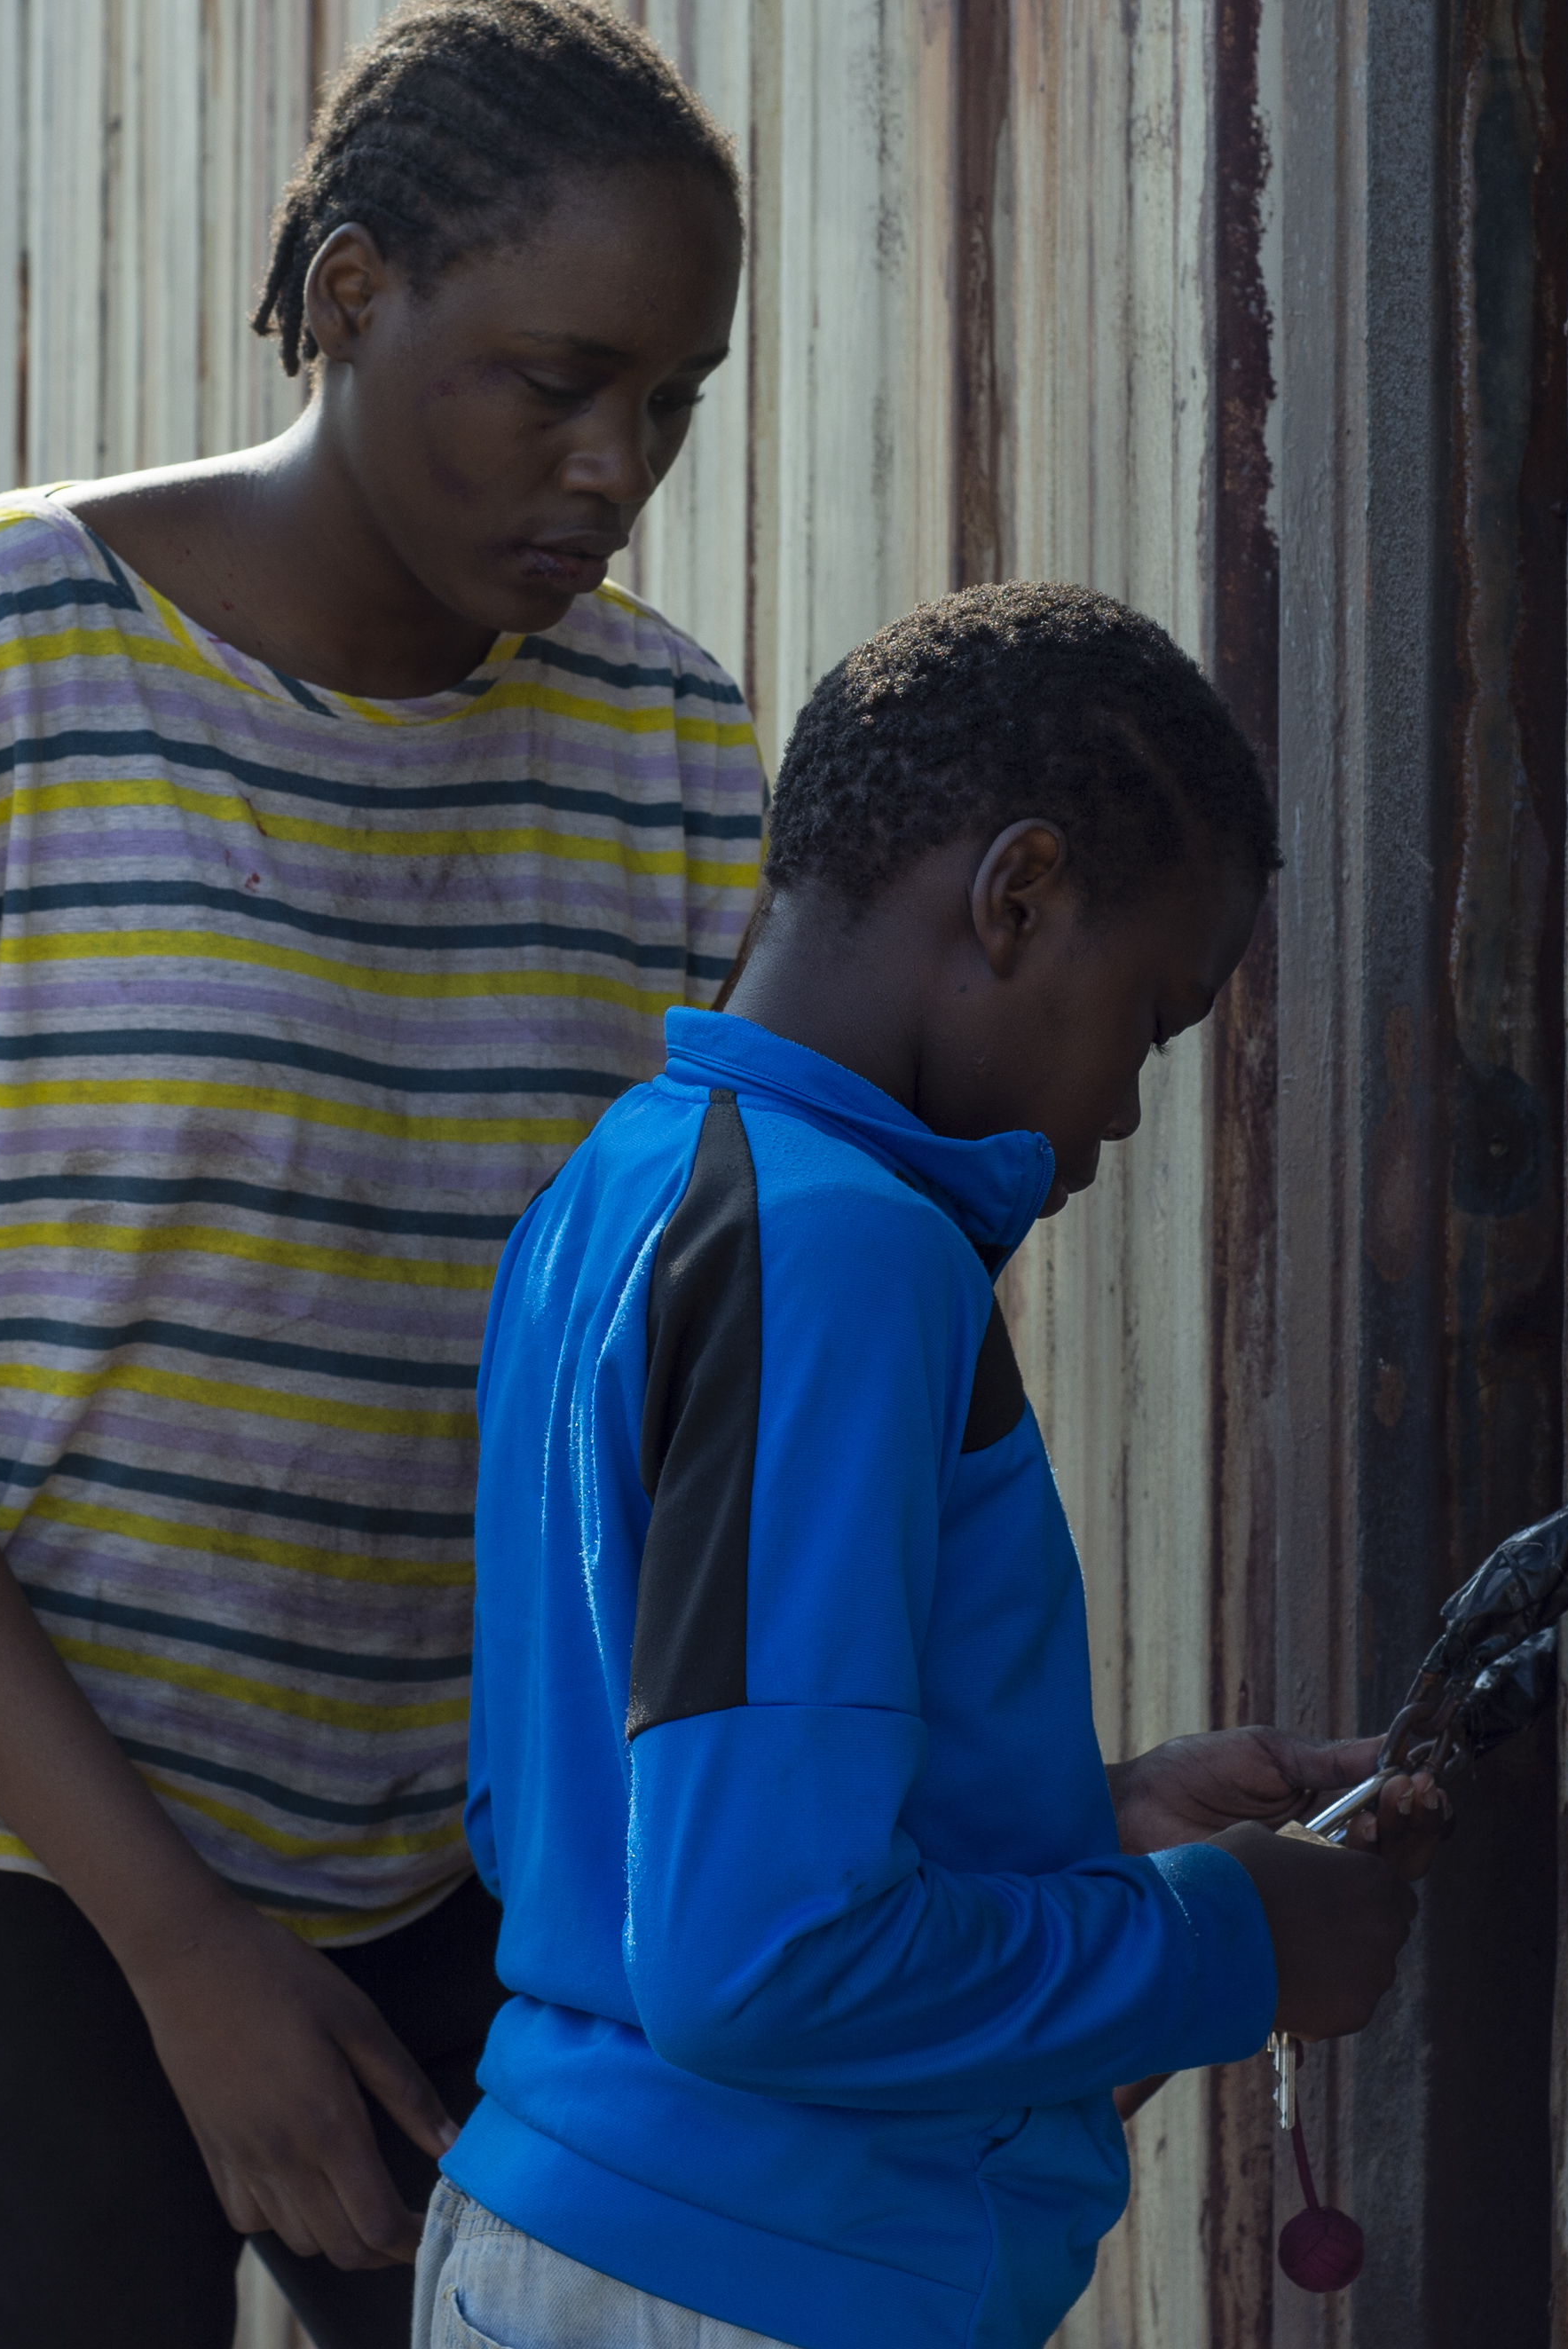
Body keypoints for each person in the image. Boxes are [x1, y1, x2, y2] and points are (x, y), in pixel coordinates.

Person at [0, 0, 767, 2349]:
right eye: (558, 381)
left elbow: (685, 1396)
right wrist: (177, 1943)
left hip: (454, 1864)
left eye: (669, 404)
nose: (615, 465)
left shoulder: (681, 766)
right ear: (354, 299)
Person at [436, 584, 1442, 2349]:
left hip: (586, 2238)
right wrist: (1222, 1943)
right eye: (1148, 1018)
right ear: (1019, 892)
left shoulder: (620, 1188)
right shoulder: (841, 1251)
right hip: (750, 2278)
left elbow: (575, 1828)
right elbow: (758, 1957)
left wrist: (1089, 1829)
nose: (1126, 1111)